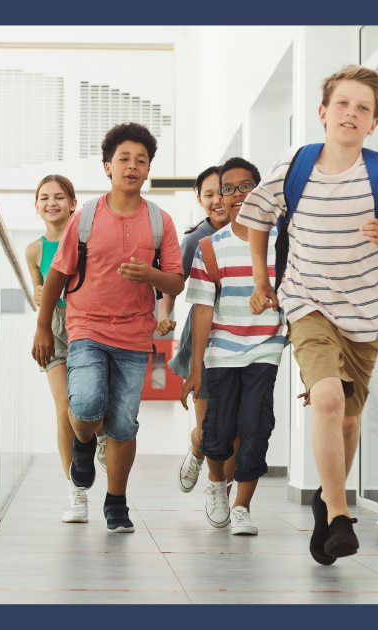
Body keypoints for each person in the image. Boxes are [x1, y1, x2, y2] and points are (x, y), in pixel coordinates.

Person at [239, 65, 378, 563]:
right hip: (307, 302)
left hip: (367, 312)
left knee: (348, 420)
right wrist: (264, 280)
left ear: (373, 123)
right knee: (325, 398)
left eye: (363, 108)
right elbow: (255, 220)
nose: (351, 113)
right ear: (323, 113)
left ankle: (327, 508)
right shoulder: (295, 166)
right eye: (342, 104)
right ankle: (342, 513)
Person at [32, 123, 185, 533]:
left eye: (141, 160)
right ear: (107, 167)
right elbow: (57, 275)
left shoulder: (160, 221)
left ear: (148, 169)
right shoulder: (84, 219)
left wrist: (150, 276)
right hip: (85, 328)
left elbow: (175, 280)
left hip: (135, 335)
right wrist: (43, 327)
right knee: (82, 406)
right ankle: (83, 444)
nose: (132, 166)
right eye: (124, 159)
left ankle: (115, 502)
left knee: (122, 424)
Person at [181, 157, 285, 535]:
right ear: (220, 198)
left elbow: (294, 303)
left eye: (246, 186)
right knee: (219, 430)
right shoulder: (209, 247)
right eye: (229, 188)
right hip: (222, 352)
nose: (238, 194)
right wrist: (195, 368)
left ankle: (242, 506)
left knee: (256, 427)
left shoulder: (281, 244)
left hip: (265, 347)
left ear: (260, 189)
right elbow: (203, 311)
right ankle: (215, 485)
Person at [23, 174, 104, 524]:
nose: (51, 202)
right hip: (55, 329)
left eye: (59, 196)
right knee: (63, 409)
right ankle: (76, 491)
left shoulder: (88, 240)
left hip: (88, 325)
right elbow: (39, 297)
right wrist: (39, 299)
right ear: (37, 205)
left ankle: (94, 439)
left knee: (91, 408)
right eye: (44, 197)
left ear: (73, 203)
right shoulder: (33, 250)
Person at [164, 166, 240, 496]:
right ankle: (200, 450)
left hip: (242, 340)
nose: (217, 200)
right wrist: (164, 314)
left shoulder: (254, 234)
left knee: (238, 427)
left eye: (222, 191)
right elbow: (174, 283)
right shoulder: (195, 240)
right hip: (204, 343)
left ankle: (222, 490)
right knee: (211, 427)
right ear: (199, 199)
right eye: (208, 194)